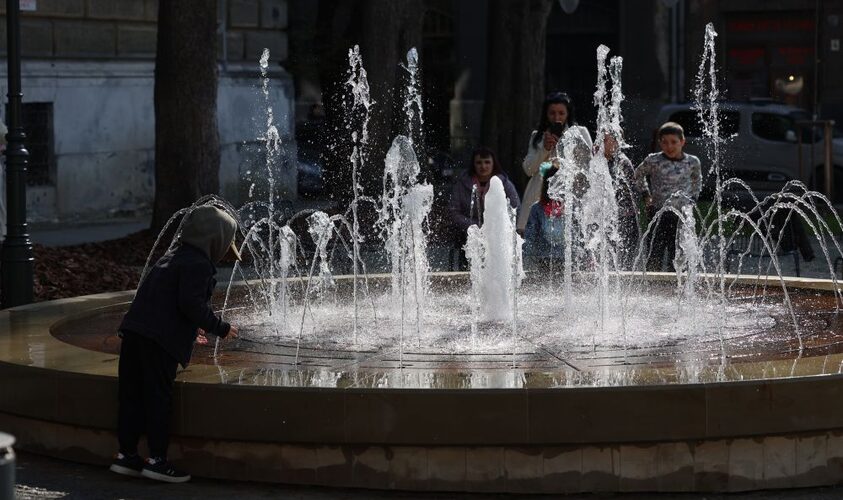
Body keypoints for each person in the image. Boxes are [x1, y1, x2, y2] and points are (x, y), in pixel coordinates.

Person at [110, 205, 241, 483]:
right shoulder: (199, 265)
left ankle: (126, 455)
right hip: (159, 343)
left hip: (134, 333)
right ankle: (157, 461)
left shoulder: (172, 257)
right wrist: (220, 328)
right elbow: (191, 304)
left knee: (131, 396)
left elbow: (164, 301)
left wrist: (189, 330)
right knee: (158, 399)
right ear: (215, 240)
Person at [518, 91, 592, 233]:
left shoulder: (580, 133)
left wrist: (563, 146)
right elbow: (528, 169)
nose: (557, 118)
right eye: (552, 113)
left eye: (561, 113)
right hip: (538, 195)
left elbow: (588, 165)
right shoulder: (537, 136)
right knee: (534, 240)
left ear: (568, 114)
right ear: (546, 114)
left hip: (570, 195)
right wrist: (544, 149)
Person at [634, 122, 702, 271]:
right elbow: (638, 175)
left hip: (681, 215)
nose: (669, 146)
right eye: (664, 142)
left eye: (673, 142)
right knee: (654, 254)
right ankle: (653, 282)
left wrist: (693, 199)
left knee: (678, 255)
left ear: (682, 142)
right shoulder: (654, 160)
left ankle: (676, 282)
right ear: (660, 143)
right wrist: (646, 195)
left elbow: (697, 180)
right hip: (658, 212)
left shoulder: (692, 162)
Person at [449, 147, 520, 247]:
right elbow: (454, 211)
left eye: (487, 162)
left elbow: (515, 208)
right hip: (469, 234)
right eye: (479, 162)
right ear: (473, 164)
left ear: (493, 164)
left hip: (497, 233)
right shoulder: (461, 183)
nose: (483, 166)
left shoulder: (504, 184)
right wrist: (474, 226)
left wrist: (496, 226)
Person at [602, 133, 640, 269]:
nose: (601, 142)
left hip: (624, 219)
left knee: (623, 260)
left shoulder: (622, 162)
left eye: (605, 140)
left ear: (617, 142)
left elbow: (629, 192)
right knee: (606, 258)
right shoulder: (598, 161)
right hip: (607, 218)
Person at [523, 164, 565, 267]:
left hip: (568, 263)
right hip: (544, 262)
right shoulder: (537, 209)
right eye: (556, 182)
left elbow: (580, 241)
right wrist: (528, 264)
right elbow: (530, 239)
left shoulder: (573, 209)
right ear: (548, 184)